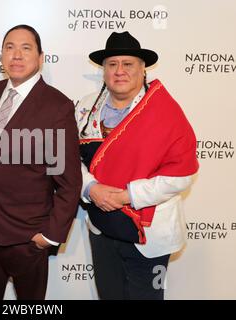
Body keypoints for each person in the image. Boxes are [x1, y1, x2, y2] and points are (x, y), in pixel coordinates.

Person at [0, 24, 82, 300]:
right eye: (9, 48)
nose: (16, 55)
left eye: (26, 48)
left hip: (28, 236)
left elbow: (69, 182)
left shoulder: (57, 106)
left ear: (41, 58)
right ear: (1, 55)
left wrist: (50, 236)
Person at [76, 31, 199, 300]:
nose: (120, 71)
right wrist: (90, 188)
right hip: (101, 228)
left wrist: (128, 195)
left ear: (143, 70)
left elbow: (182, 174)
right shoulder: (85, 108)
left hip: (150, 236)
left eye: (128, 64)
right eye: (112, 64)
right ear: (104, 70)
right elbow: (71, 160)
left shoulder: (164, 111)